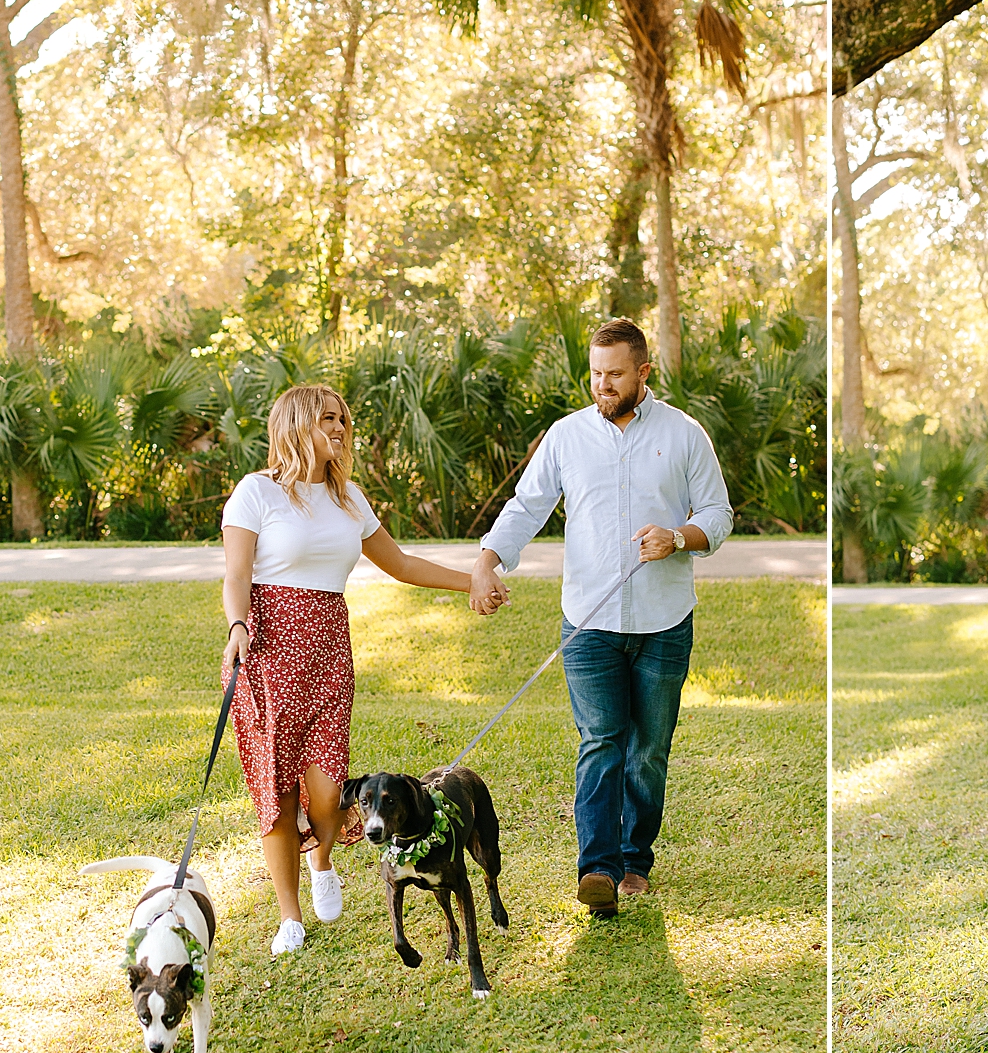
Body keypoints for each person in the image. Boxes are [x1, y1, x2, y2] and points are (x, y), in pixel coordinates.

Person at [471, 318, 733, 918]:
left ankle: (635, 860)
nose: (603, 384)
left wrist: (679, 536)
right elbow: (526, 506)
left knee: (647, 751)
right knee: (600, 742)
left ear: (643, 371)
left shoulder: (685, 434)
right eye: (595, 373)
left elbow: (719, 514)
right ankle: (598, 868)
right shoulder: (566, 437)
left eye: (615, 373)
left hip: (664, 622)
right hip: (588, 622)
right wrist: (487, 563)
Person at [220, 383, 491, 956]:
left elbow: (402, 563)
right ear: (295, 425)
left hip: (328, 653)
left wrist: (473, 580)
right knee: (276, 791)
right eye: (327, 419)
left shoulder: (349, 499)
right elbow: (236, 574)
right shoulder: (257, 493)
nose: (340, 428)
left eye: (343, 419)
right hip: (267, 654)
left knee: (326, 789)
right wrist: (238, 625)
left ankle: (321, 859)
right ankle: (289, 917)